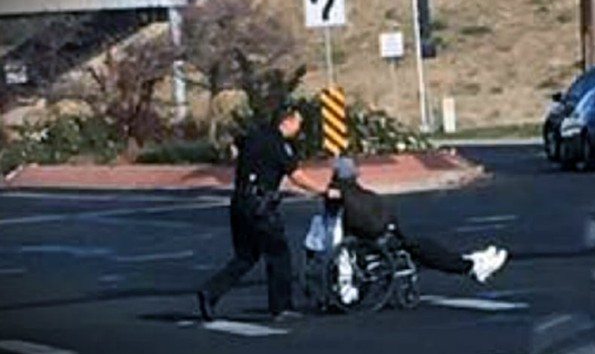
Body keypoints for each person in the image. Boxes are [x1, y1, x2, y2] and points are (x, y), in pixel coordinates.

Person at [197, 100, 324, 322]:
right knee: (279, 255)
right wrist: (321, 190)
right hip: (261, 206)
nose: (299, 129)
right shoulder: (278, 144)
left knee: (246, 256)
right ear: (287, 121)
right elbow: (296, 175)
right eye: (298, 123)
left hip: (239, 202)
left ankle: (211, 291)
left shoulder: (254, 136)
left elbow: (235, 146)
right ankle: (281, 307)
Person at [324, 156, 508, 284]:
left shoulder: (339, 195)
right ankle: (471, 266)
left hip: (360, 242)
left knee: (424, 246)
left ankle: (472, 261)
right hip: (375, 243)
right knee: (425, 248)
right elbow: (372, 223)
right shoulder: (354, 197)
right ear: (354, 175)